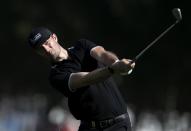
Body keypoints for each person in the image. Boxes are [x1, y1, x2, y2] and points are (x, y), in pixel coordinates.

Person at [28, 27, 135, 131]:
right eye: (41, 49)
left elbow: (102, 54)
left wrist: (117, 63)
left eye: (47, 43)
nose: (46, 49)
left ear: (54, 37)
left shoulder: (82, 46)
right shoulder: (56, 76)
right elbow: (86, 79)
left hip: (119, 125)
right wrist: (113, 69)